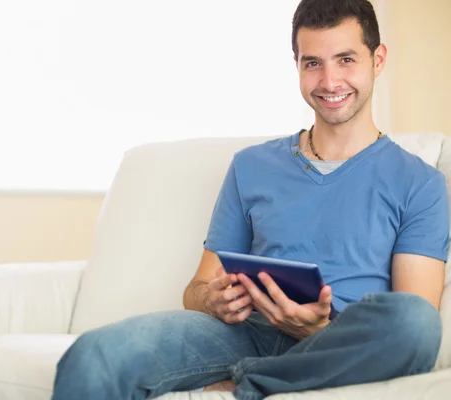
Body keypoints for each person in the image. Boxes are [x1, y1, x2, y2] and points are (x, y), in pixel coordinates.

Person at [52, 0, 449, 398]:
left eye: (346, 59)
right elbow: (196, 290)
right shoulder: (251, 166)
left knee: (415, 321)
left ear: (377, 60)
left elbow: (415, 325)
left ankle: (254, 381)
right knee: (94, 354)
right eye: (313, 63)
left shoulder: (420, 183)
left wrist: (319, 330)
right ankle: (270, 373)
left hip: (340, 343)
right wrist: (215, 299)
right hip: (247, 331)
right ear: (296, 65)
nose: (329, 81)